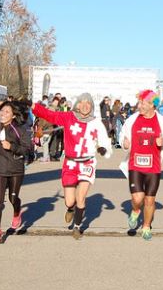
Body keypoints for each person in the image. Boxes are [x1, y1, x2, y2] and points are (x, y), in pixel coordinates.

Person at [32, 92, 111, 239]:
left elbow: (104, 141)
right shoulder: (69, 117)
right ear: (77, 105)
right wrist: (34, 107)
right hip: (70, 163)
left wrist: (103, 149)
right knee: (70, 201)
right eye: (82, 102)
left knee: (81, 197)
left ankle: (77, 226)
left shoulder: (96, 122)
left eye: (89, 103)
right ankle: (70, 208)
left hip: (88, 162)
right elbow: (50, 115)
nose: (85, 106)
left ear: (92, 106)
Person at [120, 89, 163, 241]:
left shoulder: (162, 122)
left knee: (150, 200)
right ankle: (135, 210)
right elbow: (123, 135)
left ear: (153, 105)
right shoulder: (132, 120)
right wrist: (124, 143)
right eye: (140, 102)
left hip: (153, 168)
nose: (140, 106)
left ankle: (146, 226)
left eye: (144, 103)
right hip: (135, 166)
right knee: (138, 199)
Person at [0, 101, 34, 244]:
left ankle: (17, 212)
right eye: (2, 111)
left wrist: (12, 146)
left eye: (7, 112)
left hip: (16, 168)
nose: (3, 114)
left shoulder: (20, 129)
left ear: (14, 115)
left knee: (13, 198)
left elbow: (27, 148)